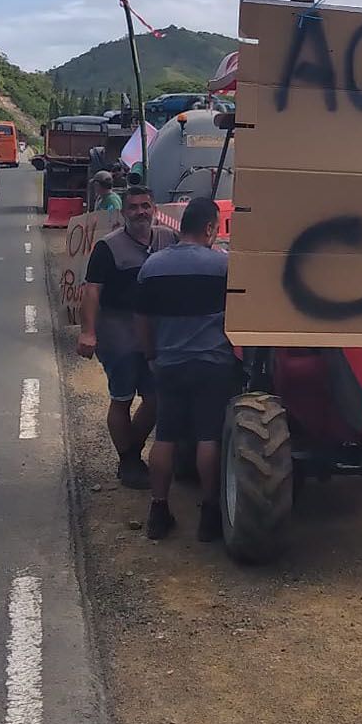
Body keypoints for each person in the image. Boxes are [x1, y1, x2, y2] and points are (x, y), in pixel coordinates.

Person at [134, 197, 240, 541]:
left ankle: (159, 510)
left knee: (165, 437)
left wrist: (152, 355)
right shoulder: (223, 267)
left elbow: (143, 319)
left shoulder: (152, 267)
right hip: (213, 364)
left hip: (168, 363)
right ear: (210, 227)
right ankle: (210, 514)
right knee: (208, 438)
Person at [76, 186, 177, 489]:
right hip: (118, 329)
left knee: (156, 398)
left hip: (156, 331)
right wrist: (88, 332)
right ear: (123, 212)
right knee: (122, 397)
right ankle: (130, 460)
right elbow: (92, 290)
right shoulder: (108, 247)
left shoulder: (167, 239)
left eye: (145, 205)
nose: (140, 212)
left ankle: (129, 454)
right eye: (133, 207)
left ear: (154, 208)